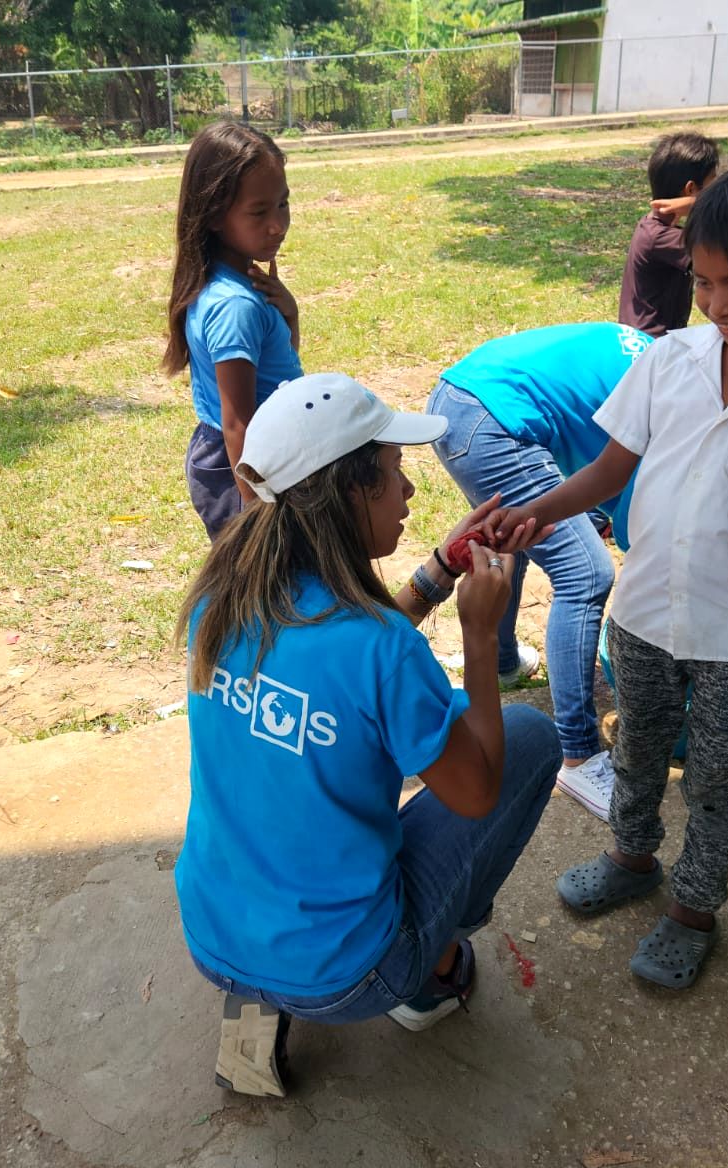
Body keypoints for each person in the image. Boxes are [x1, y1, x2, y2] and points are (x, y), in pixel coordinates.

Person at [493, 162, 728, 989]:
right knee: (636, 750)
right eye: (703, 281)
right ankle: (632, 858)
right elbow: (608, 470)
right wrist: (534, 513)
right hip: (645, 615)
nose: (718, 304)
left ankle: (695, 909)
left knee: (718, 784)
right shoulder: (669, 358)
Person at [176, 373, 560, 1097]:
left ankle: (256, 992)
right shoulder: (382, 647)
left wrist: (438, 572)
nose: (408, 491)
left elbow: (344, 656)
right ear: (348, 492)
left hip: (214, 931)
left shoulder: (221, 598)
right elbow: (477, 790)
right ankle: (428, 974)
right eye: (393, 472)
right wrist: (481, 636)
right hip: (349, 974)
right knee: (530, 737)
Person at [429, 323, 654, 821]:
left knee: (516, 539)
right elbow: (644, 532)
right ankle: (578, 755)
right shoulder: (682, 411)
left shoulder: (666, 363)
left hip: (463, 397)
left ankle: (505, 662)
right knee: (586, 574)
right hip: (496, 417)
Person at [163, 122, 303, 540]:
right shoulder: (235, 305)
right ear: (214, 215)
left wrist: (290, 316)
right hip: (244, 466)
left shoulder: (235, 285)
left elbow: (277, 374)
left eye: (283, 204)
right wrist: (258, 514)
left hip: (252, 456)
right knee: (257, 573)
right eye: (259, 212)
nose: (278, 224)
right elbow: (239, 423)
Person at [618, 132, 720, 337]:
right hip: (650, 342)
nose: (717, 192)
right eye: (713, 185)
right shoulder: (661, 237)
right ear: (691, 189)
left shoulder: (653, 226)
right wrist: (703, 206)